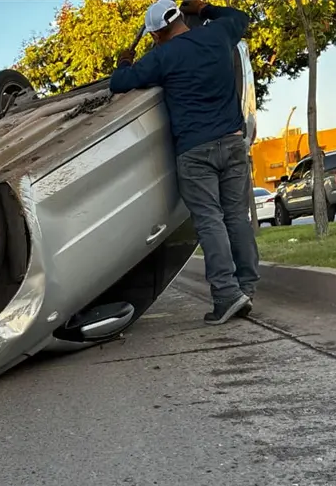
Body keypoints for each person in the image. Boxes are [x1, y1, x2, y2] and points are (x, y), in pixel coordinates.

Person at [110, 0, 259, 325]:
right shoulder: (218, 33)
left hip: (195, 151)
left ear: (157, 34)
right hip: (233, 142)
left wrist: (123, 62)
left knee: (210, 221)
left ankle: (227, 295)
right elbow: (240, 18)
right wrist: (205, 7)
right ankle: (246, 287)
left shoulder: (162, 57)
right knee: (236, 216)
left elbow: (119, 83)